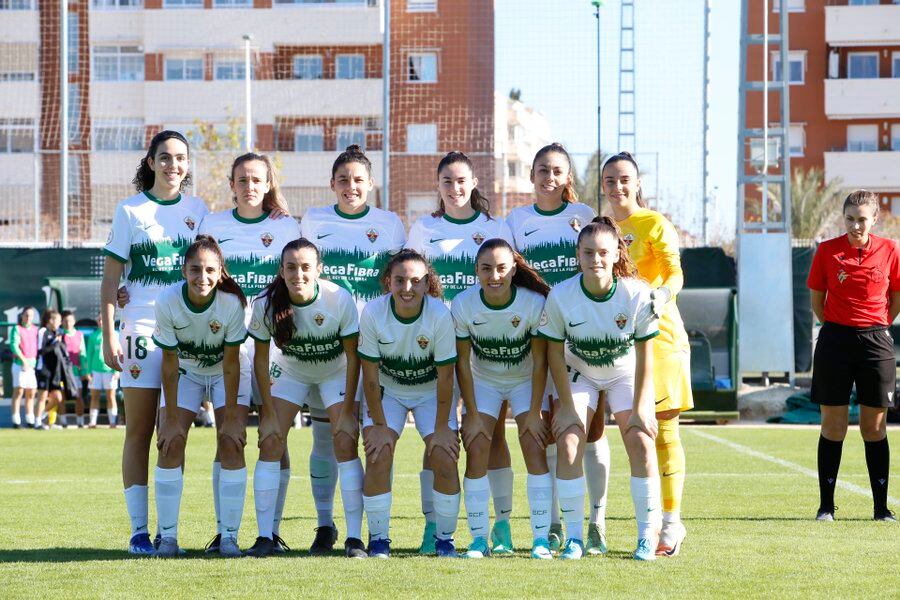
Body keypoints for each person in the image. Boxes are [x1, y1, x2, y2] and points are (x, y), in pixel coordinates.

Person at [101, 130, 208, 555]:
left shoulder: (198, 210)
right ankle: (138, 531)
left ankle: (169, 531)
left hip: (187, 337)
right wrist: (109, 332)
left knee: (173, 431)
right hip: (141, 331)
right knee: (139, 432)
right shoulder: (130, 210)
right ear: (150, 162)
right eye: (165, 157)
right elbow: (111, 279)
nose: (173, 166)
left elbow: (211, 269)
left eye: (180, 158)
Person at [405, 151, 515, 554]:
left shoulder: (494, 227)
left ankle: (500, 526)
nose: (455, 188)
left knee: (491, 433)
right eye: (447, 181)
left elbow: (508, 277)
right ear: (438, 186)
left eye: (461, 180)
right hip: (433, 346)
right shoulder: (422, 229)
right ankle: (434, 524)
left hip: (484, 344)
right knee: (437, 437)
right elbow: (409, 284)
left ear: (473, 183)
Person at [299, 145, 405, 553]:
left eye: (359, 179)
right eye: (343, 179)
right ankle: (326, 527)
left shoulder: (390, 224)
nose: (351, 187)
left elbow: (401, 282)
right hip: (328, 348)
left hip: (378, 348)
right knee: (328, 439)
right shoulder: (315, 220)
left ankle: (367, 531)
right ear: (332, 184)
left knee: (373, 439)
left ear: (371, 184)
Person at [539, 217, 662, 561]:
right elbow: (552, 351)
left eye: (603, 252)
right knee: (568, 442)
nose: (596, 259)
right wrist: (565, 405)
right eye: (588, 252)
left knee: (640, 441)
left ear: (616, 254)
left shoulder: (636, 293)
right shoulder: (562, 295)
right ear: (577, 255)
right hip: (581, 375)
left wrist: (640, 408)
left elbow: (645, 353)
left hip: (625, 375)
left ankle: (645, 536)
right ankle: (576, 538)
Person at [196, 152, 300, 554]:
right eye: (243, 180)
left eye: (258, 179)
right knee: (229, 435)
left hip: (277, 346)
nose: (250, 186)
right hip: (232, 345)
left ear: (269, 183)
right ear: (232, 184)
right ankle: (226, 532)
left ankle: (270, 531)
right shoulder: (213, 225)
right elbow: (197, 275)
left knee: (277, 437)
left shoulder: (287, 226)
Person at [591, 151, 693, 556]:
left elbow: (674, 269)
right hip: (615, 345)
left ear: (637, 184)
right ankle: (616, 524)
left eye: (625, 179)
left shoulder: (654, 223)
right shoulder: (599, 230)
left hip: (661, 340)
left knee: (663, 431)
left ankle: (670, 523)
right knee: (624, 433)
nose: (618, 186)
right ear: (603, 185)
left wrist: (663, 294)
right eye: (610, 180)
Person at [245, 239, 364, 558]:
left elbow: (353, 357)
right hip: (291, 372)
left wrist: (349, 410)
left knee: (344, 440)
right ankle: (264, 536)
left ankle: (353, 539)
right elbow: (259, 359)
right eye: (291, 267)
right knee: (270, 441)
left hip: (334, 372)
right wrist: (267, 413)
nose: (299, 274)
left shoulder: (339, 298)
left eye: (306, 267)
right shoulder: (265, 303)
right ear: (281, 271)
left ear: (318, 270)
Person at [505, 142, 596, 552]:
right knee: (542, 427)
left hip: (580, 335)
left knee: (582, 430)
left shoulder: (585, 217)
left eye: (558, 171)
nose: (549, 177)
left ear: (568, 178)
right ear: (531, 175)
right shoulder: (516, 220)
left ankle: (595, 521)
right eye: (542, 169)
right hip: (534, 337)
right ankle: (555, 522)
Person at [451, 238, 554, 559]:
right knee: (477, 445)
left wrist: (535, 411)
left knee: (533, 444)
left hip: (525, 381)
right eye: (485, 269)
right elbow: (463, 366)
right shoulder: (464, 304)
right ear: (476, 271)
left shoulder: (532, 303)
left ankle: (540, 539)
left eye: (500, 268)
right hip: (484, 382)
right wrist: (470, 411)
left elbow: (540, 363)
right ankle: (482, 537)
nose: (493, 276)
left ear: (513, 270)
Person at [152, 236, 249, 558]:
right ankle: (167, 538)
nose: (202, 277)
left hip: (226, 372)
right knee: (171, 442)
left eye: (210, 270)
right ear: (183, 271)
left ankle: (229, 538)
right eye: (195, 269)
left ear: (220, 272)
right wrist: (167, 419)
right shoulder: (167, 302)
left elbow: (233, 364)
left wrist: (234, 418)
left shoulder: (231, 304)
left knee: (231, 441)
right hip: (186, 372)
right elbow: (168, 364)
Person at [359, 250, 459, 558]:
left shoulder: (440, 314)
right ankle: (378, 540)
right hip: (388, 392)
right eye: (400, 280)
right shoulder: (373, 312)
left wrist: (442, 427)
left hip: (431, 392)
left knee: (444, 454)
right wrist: (377, 426)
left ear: (427, 283)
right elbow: (371, 377)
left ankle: (444, 540)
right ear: (388, 282)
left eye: (416, 281)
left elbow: (445, 378)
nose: (407, 288)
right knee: (379, 453)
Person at [808, 189, 899, 523]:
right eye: (850, 219)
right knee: (833, 426)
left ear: (874, 219)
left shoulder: (890, 250)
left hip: (876, 341)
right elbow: (817, 301)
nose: (855, 226)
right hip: (834, 341)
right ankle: (826, 508)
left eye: (862, 219)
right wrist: (838, 326)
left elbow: (896, 296)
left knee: (874, 428)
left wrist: (877, 325)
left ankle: (881, 510)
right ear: (843, 218)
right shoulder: (827, 251)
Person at [36, 310, 77, 430]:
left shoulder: (58, 333)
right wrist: (54, 343)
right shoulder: (43, 332)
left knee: (58, 397)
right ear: (51, 320)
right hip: (44, 369)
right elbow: (41, 351)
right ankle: (37, 422)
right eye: (58, 320)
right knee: (42, 397)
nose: (60, 323)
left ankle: (42, 417)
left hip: (55, 372)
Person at [85, 312, 119, 428]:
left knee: (111, 396)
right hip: (95, 371)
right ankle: (92, 422)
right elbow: (89, 355)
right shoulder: (93, 336)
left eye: (103, 319)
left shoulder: (115, 334)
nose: (100, 322)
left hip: (110, 371)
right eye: (99, 319)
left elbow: (119, 354)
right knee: (94, 396)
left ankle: (113, 422)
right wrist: (88, 371)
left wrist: (117, 371)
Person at [9, 306, 39, 429]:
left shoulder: (36, 330)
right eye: (26, 315)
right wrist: (24, 361)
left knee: (31, 392)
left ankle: (30, 419)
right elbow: (14, 346)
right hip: (19, 365)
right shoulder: (17, 328)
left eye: (31, 315)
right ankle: (16, 420)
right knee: (19, 391)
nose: (28, 318)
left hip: (32, 367)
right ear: (22, 316)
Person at [61, 310, 87, 428]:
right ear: (62, 322)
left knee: (78, 396)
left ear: (74, 321)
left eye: (70, 321)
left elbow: (83, 354)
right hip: (62, 372)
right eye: (65, 321)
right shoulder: (59, 334)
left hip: (76, 372)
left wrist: (84, 371)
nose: (68, 323)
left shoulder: (79, 335)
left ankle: (80, 422)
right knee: (62, 397)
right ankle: (63, 422)